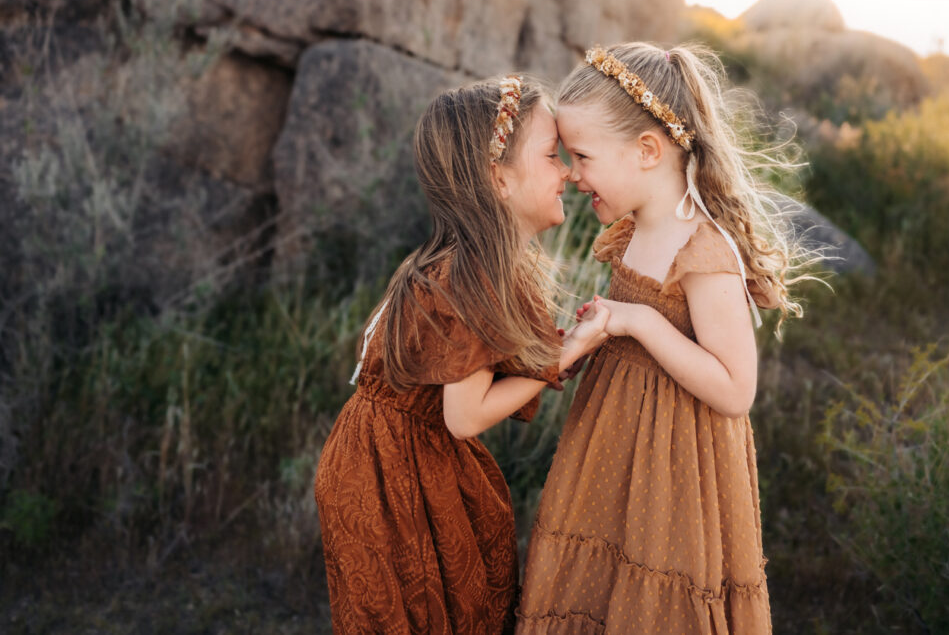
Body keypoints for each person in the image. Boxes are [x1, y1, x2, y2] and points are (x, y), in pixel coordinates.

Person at [517, 43, 807, 634]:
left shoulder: (703, 248)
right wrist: (587, 336)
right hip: (610, 452)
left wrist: (638, 322)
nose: (572, 175)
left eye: (583, 156)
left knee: (653, 598)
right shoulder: (632, 232)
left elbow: (734, 389)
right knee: (599, 588)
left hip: (677, 470)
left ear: (647, 150)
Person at [314, 74, 609, 634]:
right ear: (498, 179)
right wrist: (575, 347)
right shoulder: (468, 275)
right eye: (552, 156)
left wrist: (565, 353)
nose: (569, 172)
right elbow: (465, 415)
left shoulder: (478, 263)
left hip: (405, 453)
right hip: (387, 469)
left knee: (463, 595)